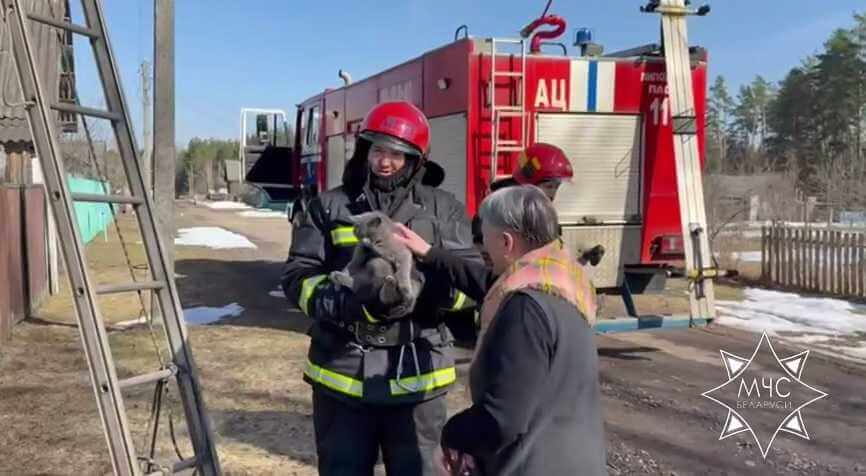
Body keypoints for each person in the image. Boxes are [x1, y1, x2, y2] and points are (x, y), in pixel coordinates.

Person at [281, 100, 481, 475]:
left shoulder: (445, 210)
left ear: (416, 160)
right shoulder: (329, 206)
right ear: (364, 151)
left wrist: (420, 292)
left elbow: (471, 283)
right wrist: (348, 301)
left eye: (397, 154)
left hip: (417, 382)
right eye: (377, 150)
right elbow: (297, 275)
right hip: (341, 378)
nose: (384, 162)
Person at [393, 185, 606, 476]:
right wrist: (430, 253)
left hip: (534, 464)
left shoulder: (525, 309)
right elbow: (488, 283)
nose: (483, 248)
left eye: (485, 239)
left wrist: (451, 438)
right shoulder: (560, 278)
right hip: (574, 456)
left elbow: (501, 420)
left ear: (506, 242)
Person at [471, 142, 574, 245]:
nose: (552, 195)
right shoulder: (499, 212)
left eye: (557, 187)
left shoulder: (535, 212)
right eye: (549, 186)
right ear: (527, 184)